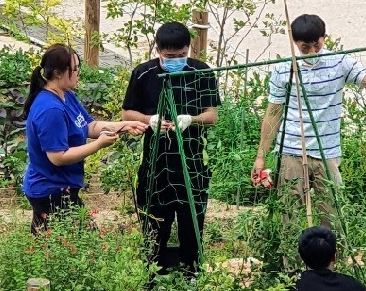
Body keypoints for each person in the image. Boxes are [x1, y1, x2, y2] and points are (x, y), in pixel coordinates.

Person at [251, 14, 366, 224]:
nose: (312, 52)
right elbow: (273, 113)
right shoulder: (283, 69)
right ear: (294, 42)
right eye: (305, 48)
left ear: (324, 38)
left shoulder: (339, 62)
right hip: (291, 151)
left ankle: (332, 257)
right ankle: (291, 257)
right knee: (290, 218)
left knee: (332, 218)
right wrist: (261, 156)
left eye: (317, 45)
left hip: (327, 153)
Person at [122, 22, 220, 274]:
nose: (176, 60)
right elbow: (127, 113)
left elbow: (212, 115)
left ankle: (191, 277)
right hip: (156, 165)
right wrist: (150, 120)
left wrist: (191, 120)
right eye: (169, 56)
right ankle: (153, 281)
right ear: (158, 50)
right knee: (154, 229)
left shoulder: (201, 72)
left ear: (189, 49)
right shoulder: (143, 74)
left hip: (192, 164)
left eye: (181, 55)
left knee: (192, 229)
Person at [22, 44, 147, 233]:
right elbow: (58, 157)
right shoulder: (51, 110)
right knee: (82, 244)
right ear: (58, 73)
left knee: (51, 248)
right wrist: (99, 145)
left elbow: (90, 126)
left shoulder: (65, 96)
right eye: (75, 69)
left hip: (59, 187)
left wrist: (123, 126)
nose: (79, 73)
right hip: (51, 190)